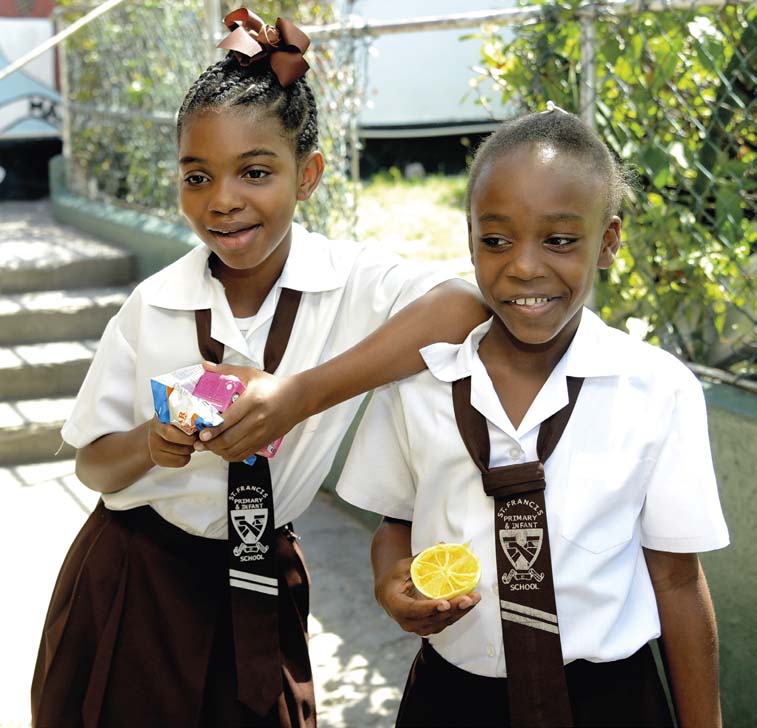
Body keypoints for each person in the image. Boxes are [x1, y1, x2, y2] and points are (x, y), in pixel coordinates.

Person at [30, 9, 488, 727]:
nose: (223, 200)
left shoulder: (350, 283)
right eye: (196, 175)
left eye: (255, 171)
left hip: (258, 574)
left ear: (306, 176)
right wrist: (152, 443)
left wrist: (298, 395)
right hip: (134, 576)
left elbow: (462, 304)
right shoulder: (154, 306)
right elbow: (93, 466)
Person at [337, 108, 729, 727]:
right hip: (454, 698)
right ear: (469, 240)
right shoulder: (419, 385)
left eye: (559, 240)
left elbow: (678, 582)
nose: (523, 266)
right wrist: (392, 581)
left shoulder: (657, 390)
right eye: (496, 241)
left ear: (607, 242)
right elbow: (396, 520)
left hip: (611, 701)